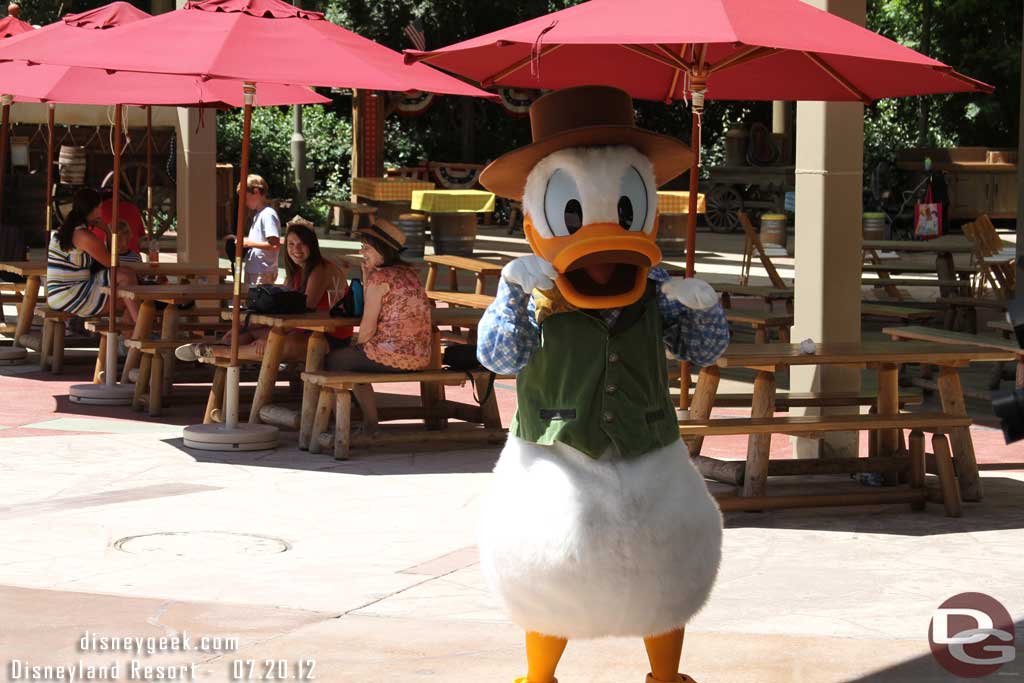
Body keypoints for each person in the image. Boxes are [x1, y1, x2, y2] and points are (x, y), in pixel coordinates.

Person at [175, 215, 348, 363]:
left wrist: (271, 335)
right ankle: (214, 347)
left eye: (302, 244)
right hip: (305, 332)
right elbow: (285, 307)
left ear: (312, 245)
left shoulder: (321, 269)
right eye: (291, 244)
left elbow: (303, 312)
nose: (296, 249)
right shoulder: (296, 272)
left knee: (273, 343)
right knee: (245, 335)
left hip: (331, 338)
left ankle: (218, 351)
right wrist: (245, 328)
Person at [324, 219, 431, 432]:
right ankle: (366, 421)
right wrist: (366, 275)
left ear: (382, 251)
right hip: (421, 356)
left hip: (391, 355)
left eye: (367, 248)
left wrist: (357, 346)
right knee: (352, 360)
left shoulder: (380, 278)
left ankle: (350, 425)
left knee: (333, 361)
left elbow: (368, 327)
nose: (363, 252)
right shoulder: (411, 274)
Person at [46, 188, 139, 322]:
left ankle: (135, 333)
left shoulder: (67, 229)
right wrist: (107, 231)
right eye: (100, 208)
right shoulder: (83, 236)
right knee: (126, 278)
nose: (101, 211)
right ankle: (140, 330)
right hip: (69, 294)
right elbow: (113, 263)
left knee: (126, 294)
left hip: (61, 293)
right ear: (93, 209)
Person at [230, 174, 280, 285]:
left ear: (256, 192)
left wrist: (248, 243)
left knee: (258, 302)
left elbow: (274, 245)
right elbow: (258, 240)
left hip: (262, 272)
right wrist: (239, 239)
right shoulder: (258, 214)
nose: (245, 202)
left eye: (246, 198)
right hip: (254, 269)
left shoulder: (268, 214)